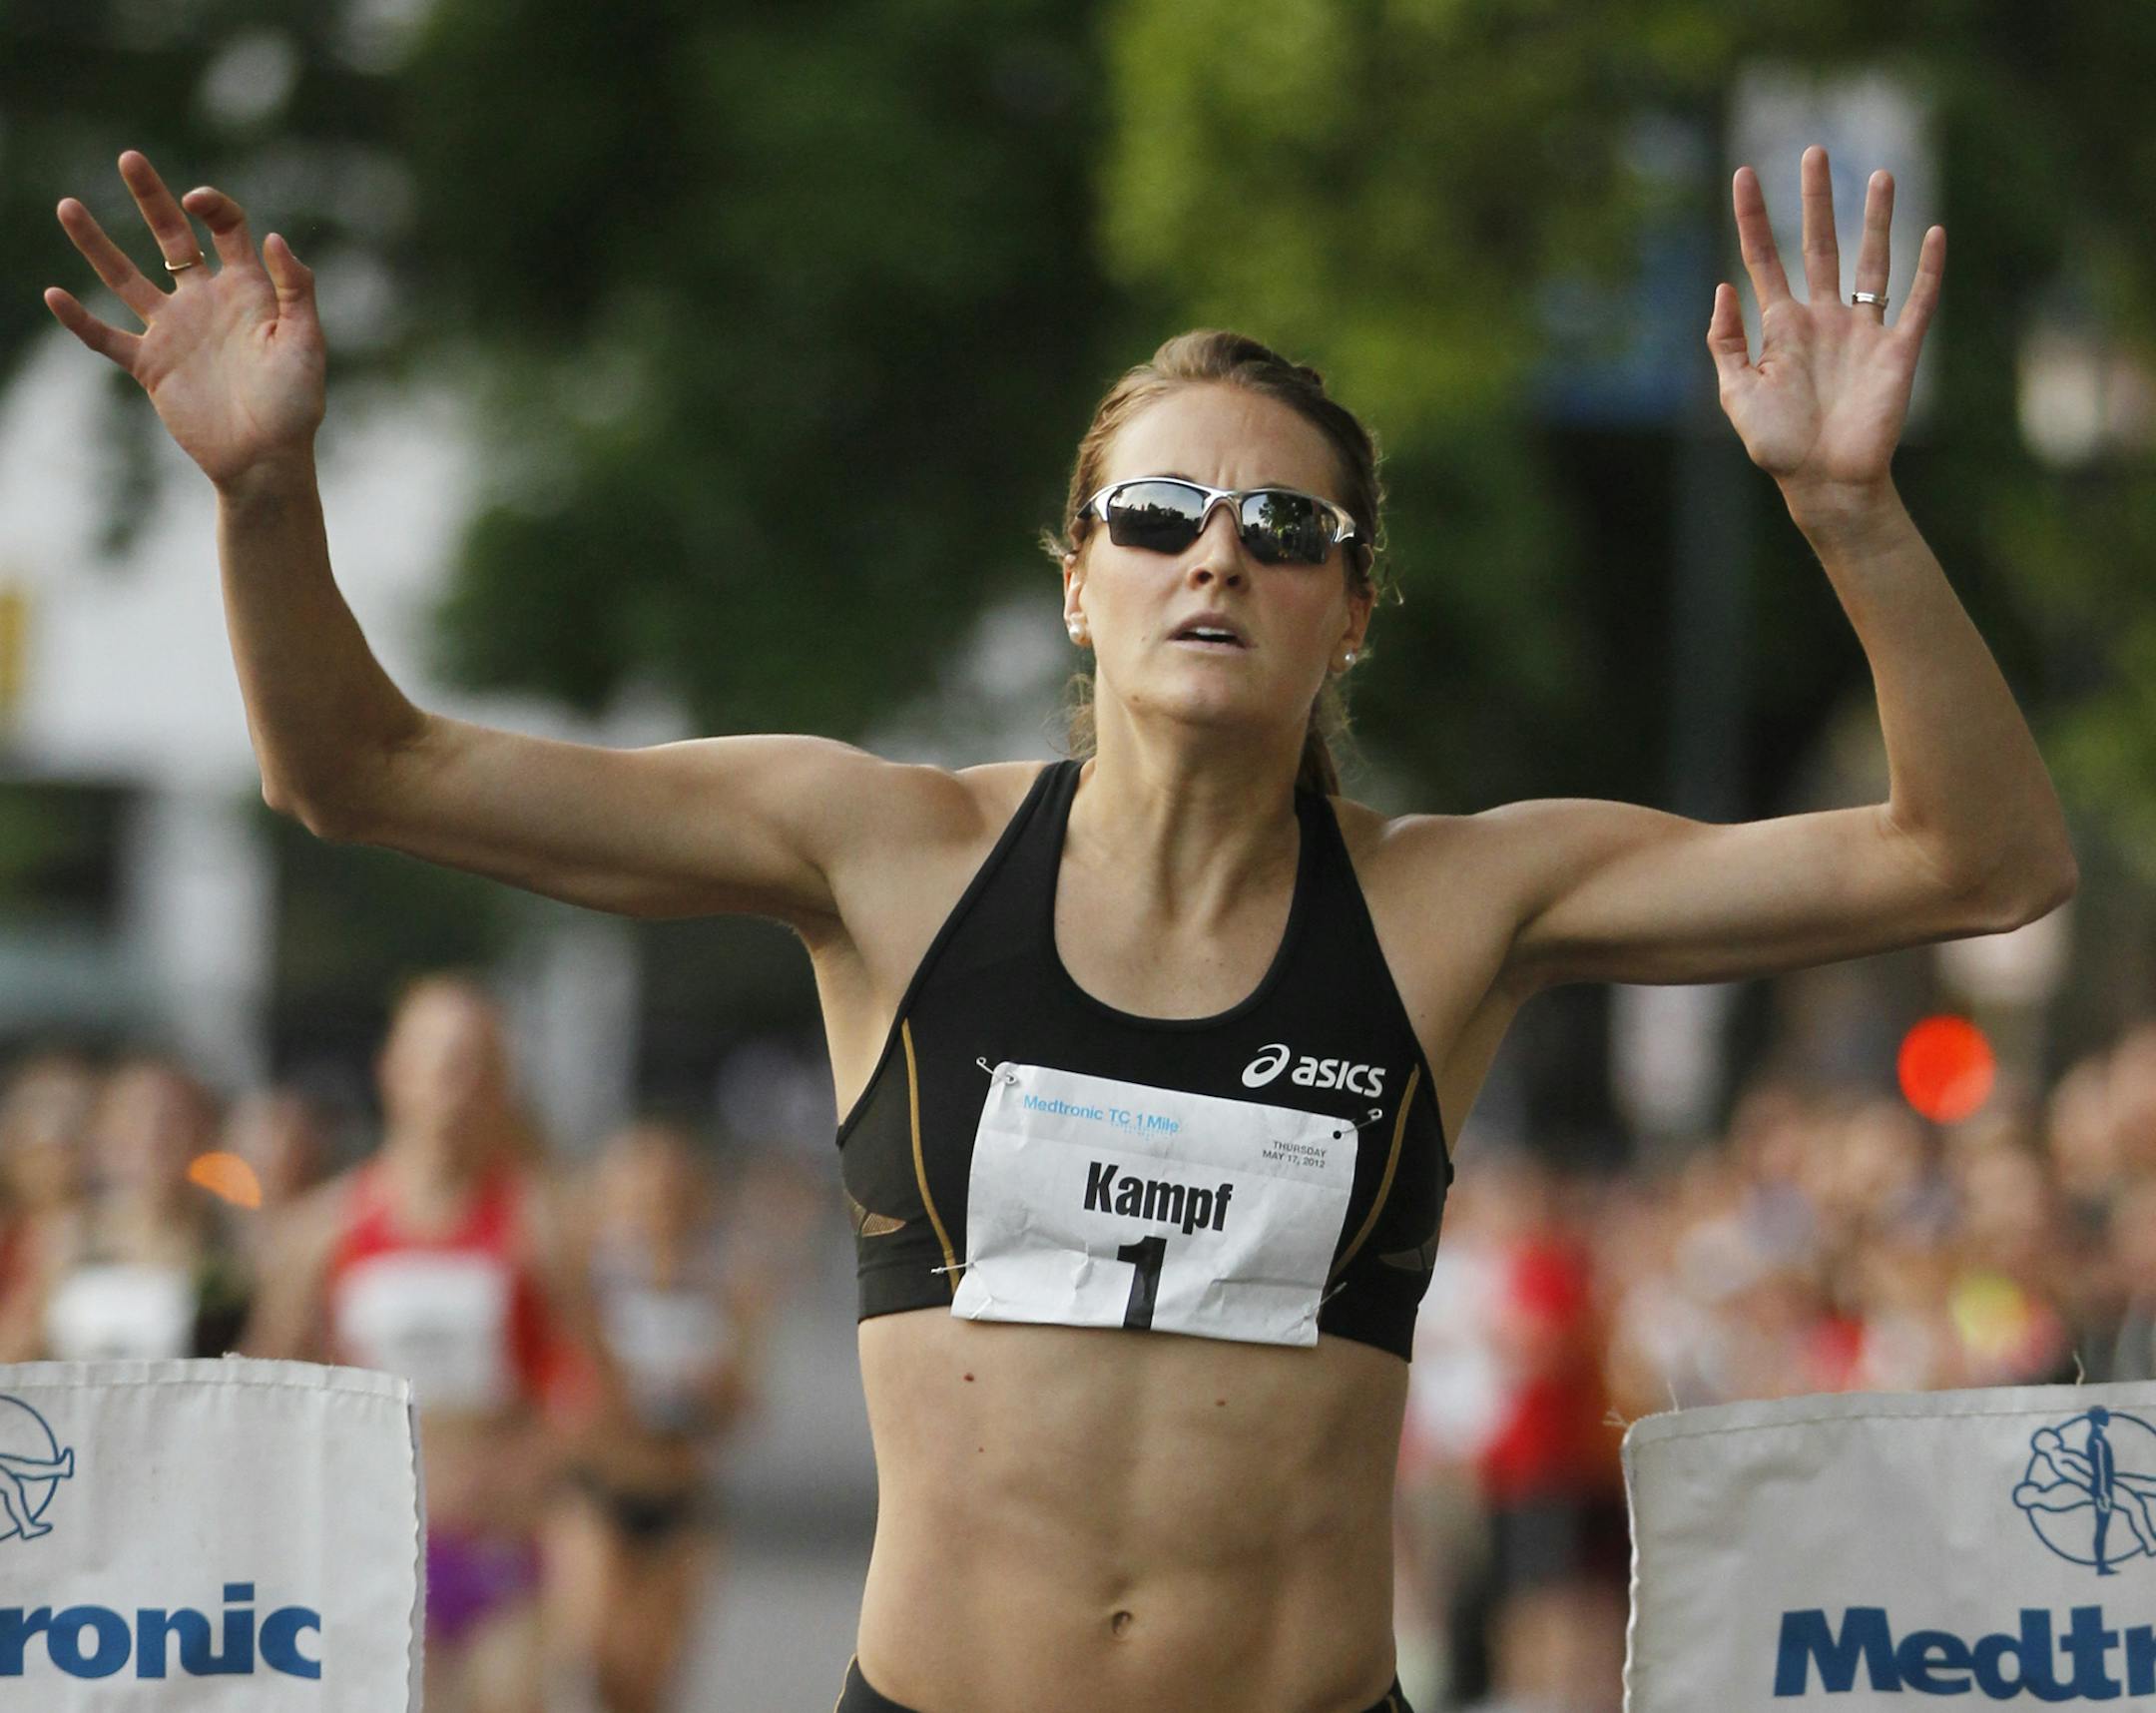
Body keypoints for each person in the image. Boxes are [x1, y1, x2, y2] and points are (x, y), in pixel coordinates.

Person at [46, 144, 2077, 1712]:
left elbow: (1978, 861)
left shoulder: (1461, 901)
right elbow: (364, 772)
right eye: (1160, 516)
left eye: (1287, 530)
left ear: (1353, 610)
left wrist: (1851, 515)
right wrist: (262, 494)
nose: (1219, 558)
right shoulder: (883, 855)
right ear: (1078, 586)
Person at [244, 974, 598, 1713]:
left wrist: (539, 1464)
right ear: (393, 1071)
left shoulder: (542, 1226)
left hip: (498, 1543)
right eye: (442, 1063)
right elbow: (262, 1400)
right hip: (373, 1546)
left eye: (479, 1068)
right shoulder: (324, 1231)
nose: (457, 1089)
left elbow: (596, 1389)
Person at [544, 1117, 774, 1713]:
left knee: (647, 1683)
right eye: (640, 1185)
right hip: (596, 1492)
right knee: (593, 1651)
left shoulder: (725, 1284)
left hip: (679, 1501)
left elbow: (741, 1409)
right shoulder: (588, 1277)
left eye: (670, 1186)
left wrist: (707, 1394)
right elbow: (558, 1388)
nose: (656, 1200)